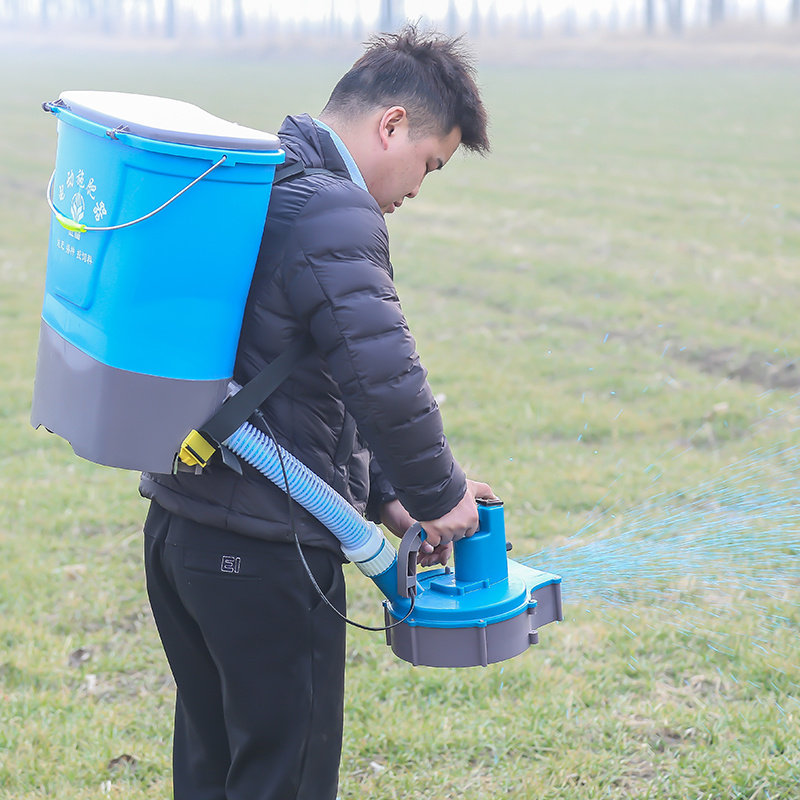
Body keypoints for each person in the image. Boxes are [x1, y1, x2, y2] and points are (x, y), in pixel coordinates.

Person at [140, 25, 493, 800]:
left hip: (181, 533)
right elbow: (383, 377)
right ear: (391, 123)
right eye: (429, 165)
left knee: (212, 766)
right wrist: (441, 497)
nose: (416, 190)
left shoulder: (259, 178)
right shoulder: (333, 210)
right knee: (285, 778)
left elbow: (296, 374)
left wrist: (384, 498)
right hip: (265, 552)